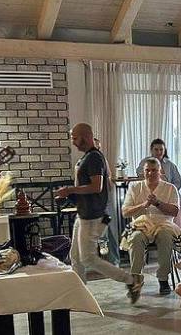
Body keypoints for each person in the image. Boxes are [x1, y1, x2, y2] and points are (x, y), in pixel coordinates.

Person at [58, 124, 140, 296]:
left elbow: (97, 187)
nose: (73, 142)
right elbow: (89, 189)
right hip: (84, 214)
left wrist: (70, 190)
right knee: (76, 257)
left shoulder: (94, 157)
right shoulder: (86, 158)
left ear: (86, 136)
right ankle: (80, 295)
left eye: (75, 138)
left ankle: (131, 280)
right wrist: (70, 194)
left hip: (92, 216)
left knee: (88, 258)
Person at [121, 157, 181, 298]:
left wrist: (158, 203)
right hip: (141, 224)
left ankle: (163, 279)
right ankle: (135, 280)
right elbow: (125, 212)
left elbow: (174, 211)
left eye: (154, 170)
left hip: (164, 224)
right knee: (135, 238)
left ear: (160, 172)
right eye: (147, 170)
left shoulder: (170, 188)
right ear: (143, 171)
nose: (150, 173)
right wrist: (143, 205)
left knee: (166, 237)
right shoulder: (135, 187)